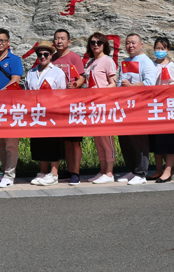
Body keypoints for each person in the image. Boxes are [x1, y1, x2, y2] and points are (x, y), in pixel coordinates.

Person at [116, 33, 158, 186]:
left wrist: (131, 86)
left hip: (140, 106)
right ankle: (132, 169)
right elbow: (121, 82)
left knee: (139, 141)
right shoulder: (125, 62)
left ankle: (141, 173)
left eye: (133, 43)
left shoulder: (146, 62)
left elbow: (150, 83)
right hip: (125, 106)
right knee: (126, 139)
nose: (130, 46)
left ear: (141, 45)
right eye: (128, 43)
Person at [25, 41, 66, 186]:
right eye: (40, 54)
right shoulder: (31, 72)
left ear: (51, 55)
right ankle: (42, 171)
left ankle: (54, 173)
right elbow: (27, 92)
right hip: (36, 112)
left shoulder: (58, 72)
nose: (42, 57)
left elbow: (62, 93)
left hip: (52, 112)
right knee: (39, 142)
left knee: (53, 142)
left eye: (45, 54)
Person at [0, 28, 24, 189]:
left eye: (2, 40)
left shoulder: (14, 60)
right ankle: (4, 172)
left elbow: (15, 81)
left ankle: (10, 175)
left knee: (11, 143)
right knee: (0, 143)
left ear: (8, 42)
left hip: (10, 107)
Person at [51, 29, 86, 186]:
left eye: (62, 38)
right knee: (65, 141)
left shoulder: (74, 57)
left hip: (73, 104)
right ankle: (69, 169)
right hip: (58, 105)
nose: (59, 41)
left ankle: (76, 173)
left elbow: (82, 77)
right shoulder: (51, 58)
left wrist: (75, 85)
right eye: (57, 38)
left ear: (69, 42)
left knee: (75, 141)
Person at [83, 32, 118, 184]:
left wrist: (100, 93)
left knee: (107, 139)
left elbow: (113, 84)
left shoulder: (108, 60)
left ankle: (110, 173)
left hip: (104, 104)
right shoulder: (90, 62)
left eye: (99, 42)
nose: (95, 45)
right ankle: (102, 171)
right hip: (92, 105)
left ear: (105, 45)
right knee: (98, 140)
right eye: (92, 42)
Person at [149, 36, 174, 183]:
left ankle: (167, 170)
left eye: (162, 48)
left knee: (170, 139)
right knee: (156, 140)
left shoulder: (173, 66)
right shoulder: (151, 65)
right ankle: (158, 169)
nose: (160, 51)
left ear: (167, 50)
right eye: (157, 48)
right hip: (155, 107)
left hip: (169, 107)